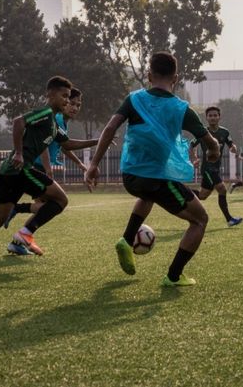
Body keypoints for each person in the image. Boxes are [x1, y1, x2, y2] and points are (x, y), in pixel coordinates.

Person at [85, 51, 220, 287]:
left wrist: (94, 164)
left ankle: (127, 240)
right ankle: (174, 276)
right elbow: (212, 143)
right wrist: (213, 152)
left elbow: (109, 128)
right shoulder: (181, 109)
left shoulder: (133, 99)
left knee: (147, 195)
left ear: (149, 76)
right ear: (175, 78)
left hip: (130, 175)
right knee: (200, 220)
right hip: (157, 178)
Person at [0, 76, 99, 271]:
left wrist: (98, 141)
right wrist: (18, 152)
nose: (67, 101)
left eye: (69, 97)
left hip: (8, 173)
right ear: (50, 95)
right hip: (20, 170)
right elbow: (19, 122)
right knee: (61, 200)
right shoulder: (44, 113)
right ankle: (26, 233)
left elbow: (67, 143)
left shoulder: (53, 122)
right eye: (64, 96)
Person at [5, 87, 97, 255]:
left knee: (46, 207)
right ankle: (18, 219)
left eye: (78, 105)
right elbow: (44, 145)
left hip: (39, 166)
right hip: (38, 166)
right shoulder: (58, 119)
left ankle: (19, 239)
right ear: (65, 102)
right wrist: (48, 169)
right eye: (72, 103)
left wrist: (80, 165)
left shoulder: (62, 123)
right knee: (53, 205)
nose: (75, 107)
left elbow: (65, 145)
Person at [189, 107, 243, 227]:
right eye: (210, 115)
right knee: (222, 189)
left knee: (203, 195)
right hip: (207, 168)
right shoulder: (202, 132)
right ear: (206, 117)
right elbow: (191, 145)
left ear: (219, 117)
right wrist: (194, 158)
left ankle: (182, 192)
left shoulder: (225, 132)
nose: (213, 117)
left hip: (216, 168)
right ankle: (229, 219)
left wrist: (233, 147)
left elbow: (230, 144)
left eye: (215, 115)